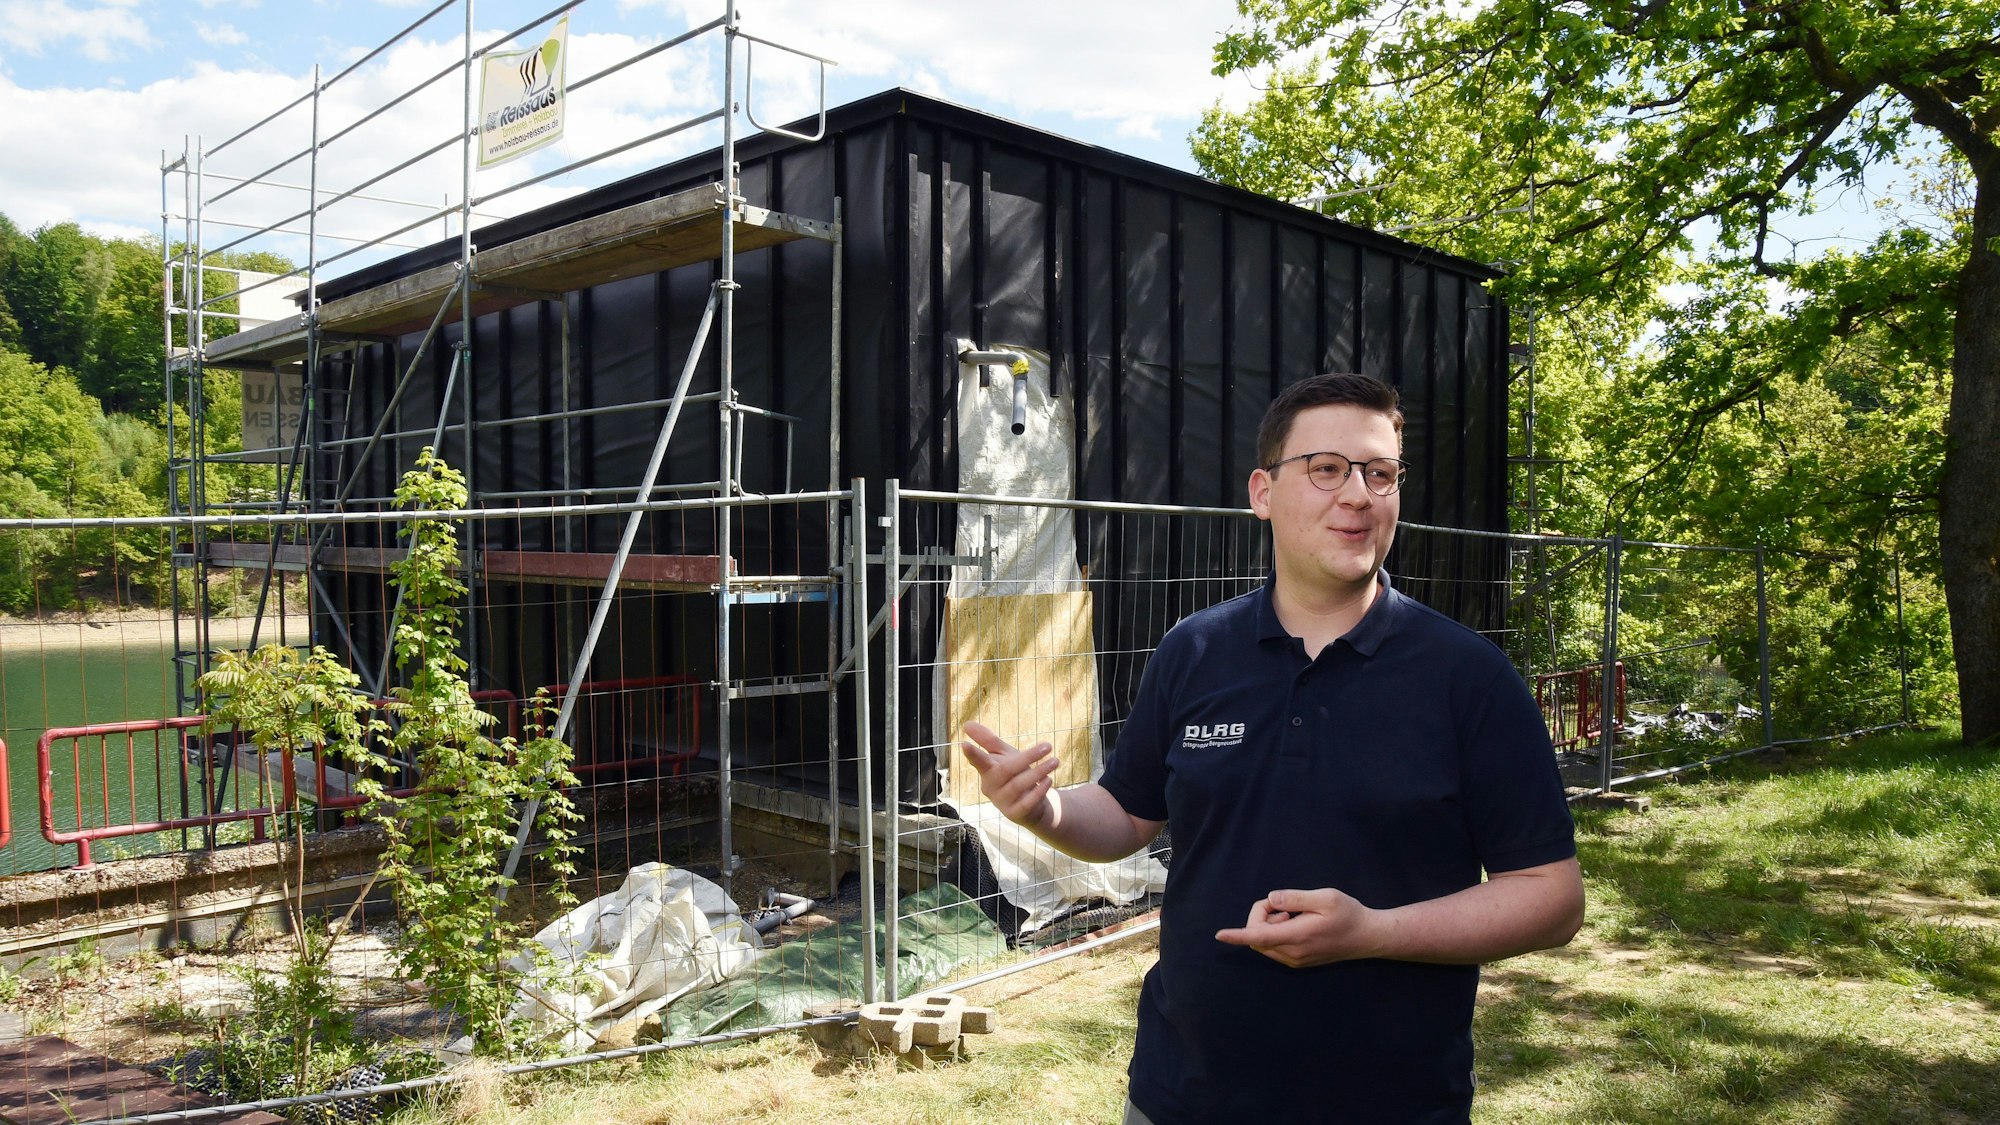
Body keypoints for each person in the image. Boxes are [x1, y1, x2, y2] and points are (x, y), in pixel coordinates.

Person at [961, 372, 1583, 1125]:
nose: (1358, 494)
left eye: (1380, 474)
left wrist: (1372, 933)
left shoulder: (1468, 676)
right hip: (1181, 1095)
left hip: (1391, 1103)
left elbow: (1552, 896)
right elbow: (1127, 814)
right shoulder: (1194, 651)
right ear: (1263, 491)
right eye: (1327, 468)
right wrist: (1046, 809)